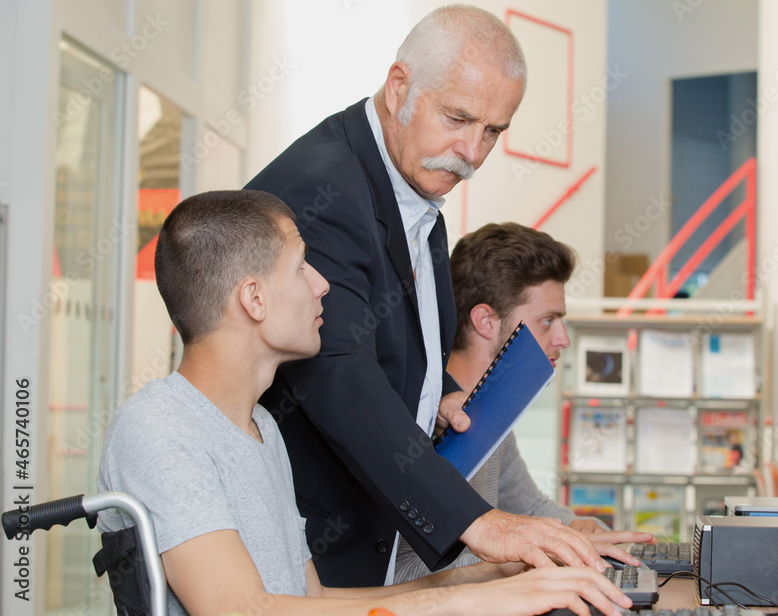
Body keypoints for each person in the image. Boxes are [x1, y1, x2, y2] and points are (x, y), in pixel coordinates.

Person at [97, 190, 632, 616]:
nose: (323, 284)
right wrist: (468, 602)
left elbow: (313, 601)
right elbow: (240, 610)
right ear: (254, 298)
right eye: (302, 266)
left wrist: (489, 576)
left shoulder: (259, 425)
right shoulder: (161, 427)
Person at [246, 4, 628, 587]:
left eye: (493, 131)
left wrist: (441, 394)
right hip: (307, 554)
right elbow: (336, 372)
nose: (472, 153)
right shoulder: (324, 191)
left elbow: (396, 336)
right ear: (399, 86)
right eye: (458, 118)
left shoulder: (412, 182)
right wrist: (477, 521)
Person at [395, 222, 656, 582]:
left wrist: (581, 529)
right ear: (486, 321)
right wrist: (528, 557)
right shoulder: (422, 420)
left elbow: (530, 506)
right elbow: (397, 573)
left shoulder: (493, 415)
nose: (562, 339)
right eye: (548, 321)